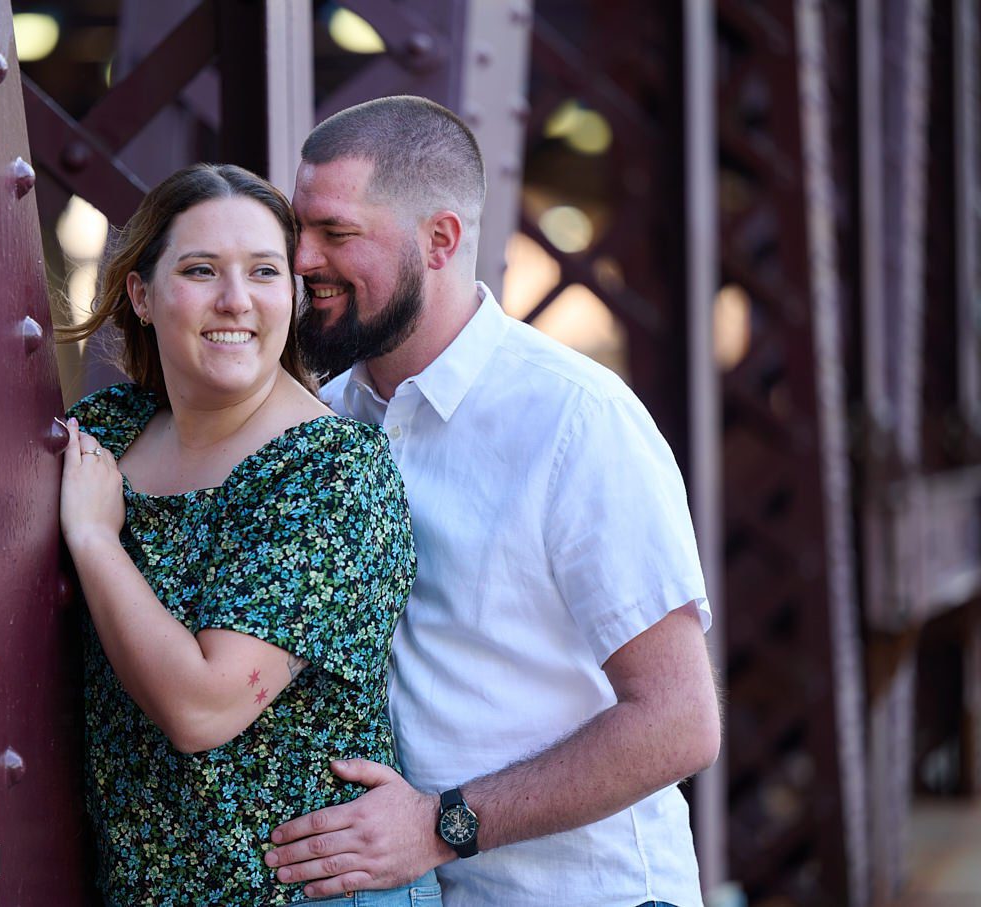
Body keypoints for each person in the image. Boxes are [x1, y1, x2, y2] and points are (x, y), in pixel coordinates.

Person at [264, 96, 722, 907]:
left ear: (441, 239)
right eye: (298, 230)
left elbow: (679, 721)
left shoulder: (576, 421)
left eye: (335, 234)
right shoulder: (321, 422)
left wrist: (439, 825)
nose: (301, 260)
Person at [56, 163, 441, 906]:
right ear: (141, 293)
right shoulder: (106, 434)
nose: (236, 300)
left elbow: (203, 708)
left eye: (264, 271)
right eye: (201, 270)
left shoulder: (333, 474)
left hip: (306, 894)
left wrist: (98, 542)